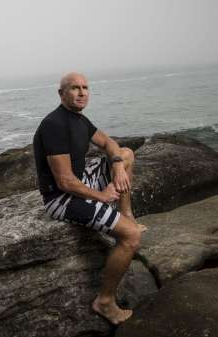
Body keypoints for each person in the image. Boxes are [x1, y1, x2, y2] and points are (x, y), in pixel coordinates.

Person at [33, 72, 147, 325]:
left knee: (126, 154)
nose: (82, 92)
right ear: (61, 93)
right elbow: (64, 182)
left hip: (80, 182)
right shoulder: (54, 124)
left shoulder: (79, 119)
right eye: (75, 88)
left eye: (85, 87)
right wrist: (101, 196)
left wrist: (116, 164)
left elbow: (108, 142)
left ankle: (127, 213)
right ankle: (104, 301)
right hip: (61, 199)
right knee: (131, 236)